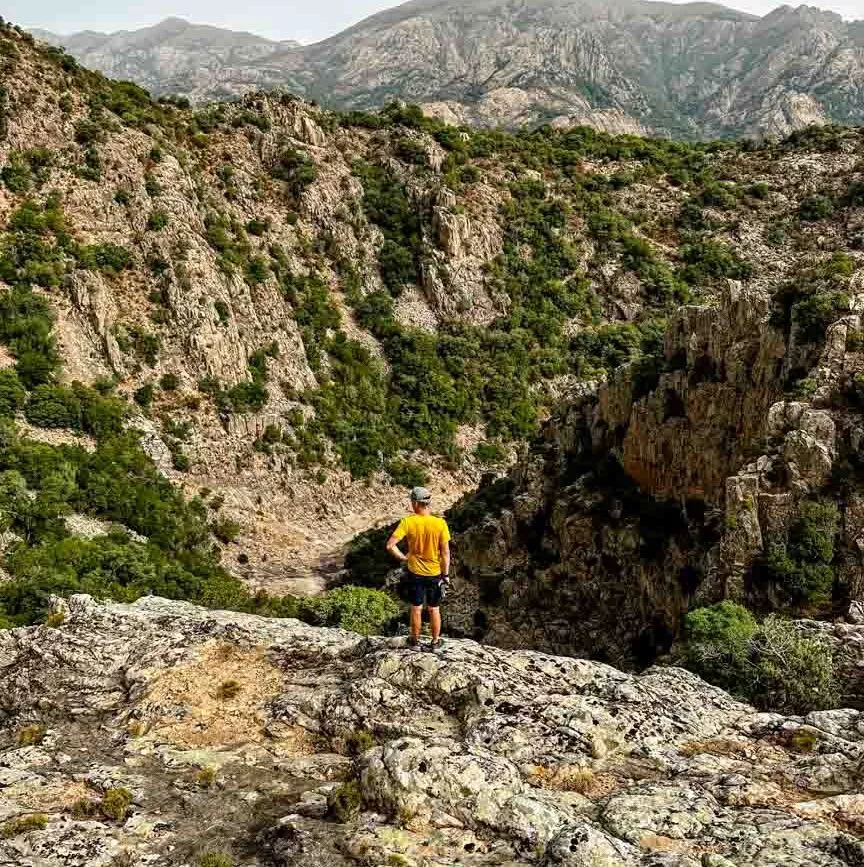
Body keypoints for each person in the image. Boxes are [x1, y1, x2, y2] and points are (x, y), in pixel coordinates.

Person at [386, 486, 451, 651]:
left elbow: (390, 545)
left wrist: (403, 557)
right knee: (434, 608)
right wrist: (446, 575)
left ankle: (414, 642)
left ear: (415, 503)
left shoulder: (408, 522)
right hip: (434, 573)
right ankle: (435, 643)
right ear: (428, 503)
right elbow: (445, 553)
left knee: (416, 608)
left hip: (415, 572)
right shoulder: (440, 523)